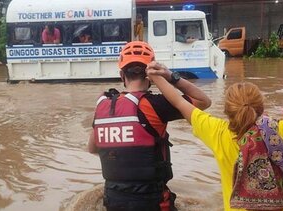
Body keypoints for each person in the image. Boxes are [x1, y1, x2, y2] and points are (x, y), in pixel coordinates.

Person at [146, 61, 283, 211]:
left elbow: (180, 103)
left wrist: (159, 76)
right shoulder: (281, 132)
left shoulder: (217, 132)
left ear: (227, 110)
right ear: (261, 107)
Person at [87, 41, 211, 211]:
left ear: (122, 74)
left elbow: (93, 149)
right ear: (150, 75)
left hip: (113, 200)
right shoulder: (156, 105)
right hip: (152, 201)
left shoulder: (102, 106)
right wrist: (170, 77)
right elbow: (204, 101)